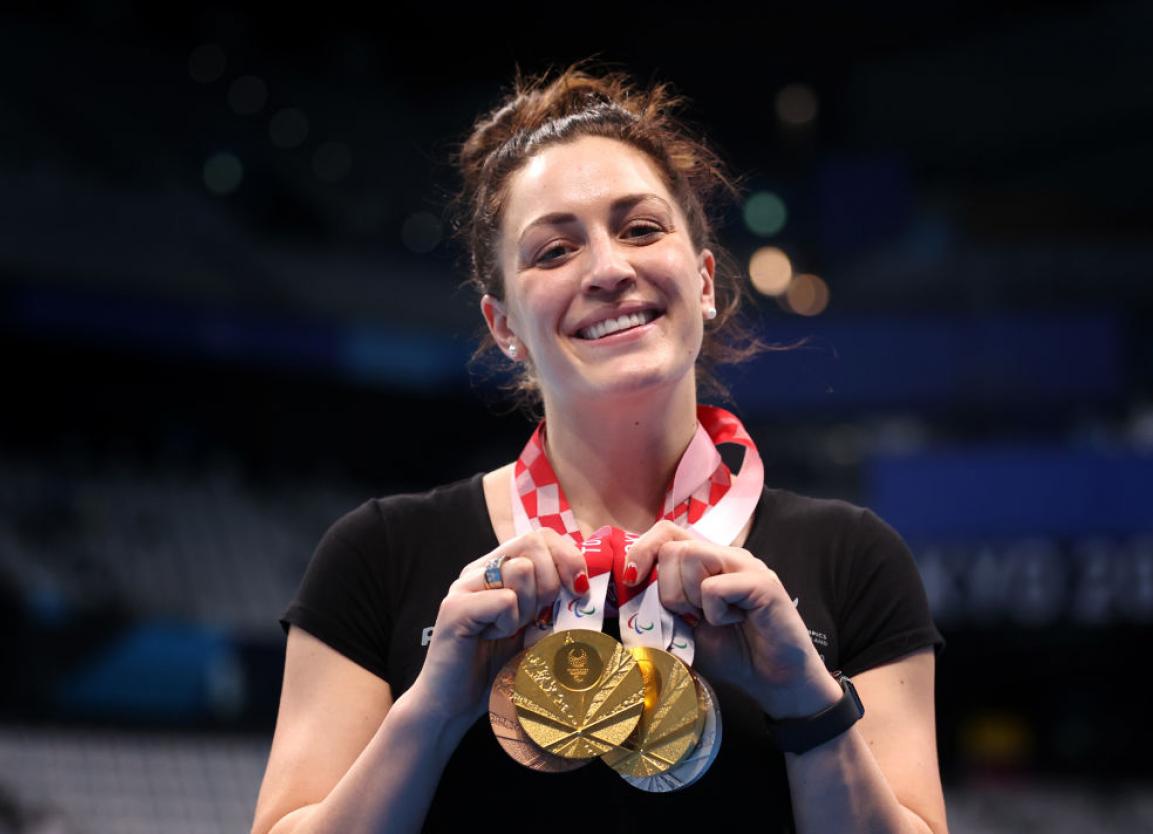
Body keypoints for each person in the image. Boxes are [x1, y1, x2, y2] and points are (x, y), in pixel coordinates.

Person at [251, 67, 947, 834]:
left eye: (641, 228)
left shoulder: (853, 560)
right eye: (553, 251)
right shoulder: (380, 556)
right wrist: (431, 711)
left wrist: (807, 705)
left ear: (706, 280)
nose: (610, 269)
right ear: (503, 326)